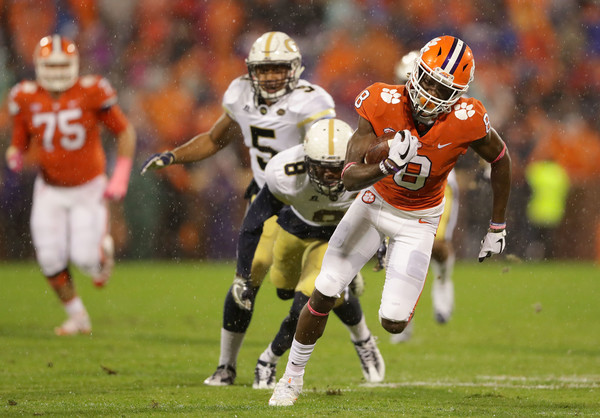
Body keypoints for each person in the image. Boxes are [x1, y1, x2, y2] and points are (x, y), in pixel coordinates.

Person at [269, 35, 512, 406]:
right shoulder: (382, 100)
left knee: (394, 322)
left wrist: (498, 225)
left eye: (441, 87)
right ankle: (291, 379)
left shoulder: (468, 118)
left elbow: (501, 160)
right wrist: (384, 165)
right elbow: (347, 176)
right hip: (373, 203)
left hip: (419, 220)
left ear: (458, 93)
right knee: (326, 288)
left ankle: (390, 262)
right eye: (427, 79)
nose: (429, 92)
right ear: (415, 72)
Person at [140, 31, 336, 386]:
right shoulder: (240, 94)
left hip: (303, 199)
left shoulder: (311, 102)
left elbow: (326, 153)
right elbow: (215, 139)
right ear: (251, 71)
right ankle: (226, 366)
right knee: (245, 281)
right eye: (264, 69)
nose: (272, 76)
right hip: (263, 196)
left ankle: (298, 348)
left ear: (294, 69)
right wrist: (173, 156)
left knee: (308, 285)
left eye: (279, 68)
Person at [233, 118, 384, 389]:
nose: (328, 176)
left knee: (308, 302)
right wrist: (242, 275)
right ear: (306, 160)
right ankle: (346, 292)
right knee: (283, 289)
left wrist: (381, 246)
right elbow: (252, 224)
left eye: (336, 168)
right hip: (294, 230)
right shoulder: (285, 174)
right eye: (321, 168)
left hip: (335, 237)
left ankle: (268, 359)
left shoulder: (369, 169)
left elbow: (383, 215)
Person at [5, 34, 136, 335]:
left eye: (63, 64)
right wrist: (15, 154)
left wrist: (119, 175)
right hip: (49, 188)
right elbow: (19, 141)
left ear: (75, 64)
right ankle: (78, 317)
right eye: (50, 65)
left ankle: (101, 255)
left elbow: (125, 131)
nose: (57, 72)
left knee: (85, 260)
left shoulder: (92, 91)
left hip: (88, 188)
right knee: (49, 257)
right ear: (37, 65)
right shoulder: (24, 96)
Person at [389, 50, 460, 343]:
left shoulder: (449, 109)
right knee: (400, 252)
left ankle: (442, 280)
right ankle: (400, 316)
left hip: (438, 183)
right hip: (400, 181)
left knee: (437, 246)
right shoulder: (392, 106)